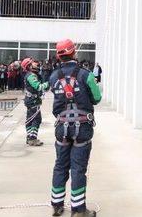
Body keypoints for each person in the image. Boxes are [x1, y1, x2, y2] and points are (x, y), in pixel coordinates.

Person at [49, 39, 101, 217]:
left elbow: (57, 100)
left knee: (60, 165)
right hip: (82, 127)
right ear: (74, 53)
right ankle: (78, 210)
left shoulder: (54, 76)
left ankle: (56, 204)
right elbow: (96, 98)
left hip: (62, 127)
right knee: (78, 168)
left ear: (59, 55)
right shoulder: (86, 74)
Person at [22, 58, 49, 146]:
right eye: (33, 63)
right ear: (29, 66)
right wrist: (49, 84)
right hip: (33, 101)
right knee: (36, 119)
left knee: (30, 119)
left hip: (30, 100)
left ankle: (29, 136)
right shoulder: (31, 76)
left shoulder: (30, 75)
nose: (36, 64)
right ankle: (32, 138)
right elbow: (38, 86)